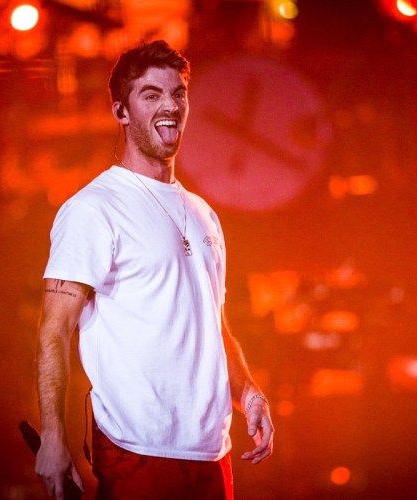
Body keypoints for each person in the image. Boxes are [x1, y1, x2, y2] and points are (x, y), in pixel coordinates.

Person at [35, 40, 274, 500]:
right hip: (136, 450)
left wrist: (249, 394)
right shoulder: (93, 208)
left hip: (212, 451)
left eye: (178, 93)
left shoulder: (204, 213)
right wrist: (53, 437)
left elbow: (213, 327)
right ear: (121, 112)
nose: (170, 105)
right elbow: (54, 331)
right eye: (151, 95)